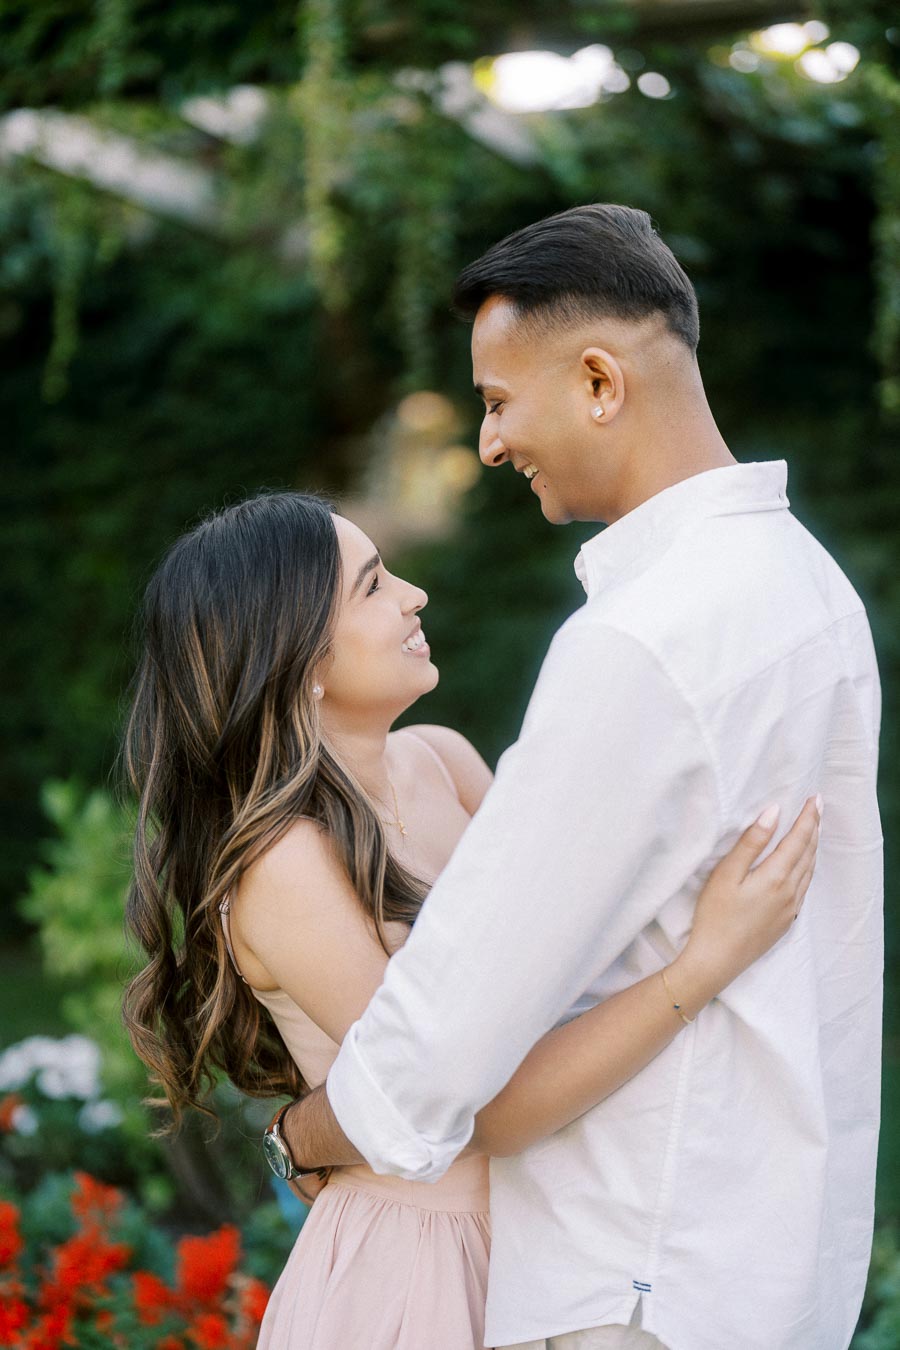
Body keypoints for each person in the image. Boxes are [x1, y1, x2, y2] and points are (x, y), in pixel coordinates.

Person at [280, 204, 884, 1350]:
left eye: (500, 402)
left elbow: (451, 1031)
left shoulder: (642, 640)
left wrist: (302, 1136)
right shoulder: (811, 592)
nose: (491, 444)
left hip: (634, 1277)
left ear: (600, 381)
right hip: (767, 1252)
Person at [122, 490, 818, 1350]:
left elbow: (580, 960)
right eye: (374, 587)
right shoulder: (283, 867)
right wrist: (702, 967)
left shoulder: (442, 761)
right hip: (422, 1272)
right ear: (299, 659)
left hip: (550, 1238)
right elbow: (487, 1105)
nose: (413, 594)